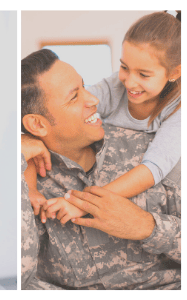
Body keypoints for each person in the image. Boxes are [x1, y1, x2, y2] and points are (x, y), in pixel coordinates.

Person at [20, 49, 180, 289]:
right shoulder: (25, 187)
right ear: (37, 124)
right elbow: (21, 279)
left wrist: (147, 226)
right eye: (74, 97)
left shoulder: (149, 151)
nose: (94, 100)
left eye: (85, 86)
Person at [25, 11, 181, 224]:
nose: (129, 82)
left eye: (143, 75)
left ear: (174, 73)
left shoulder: (179, 111)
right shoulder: (116, 85)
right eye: (124, 67)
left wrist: (82, 203)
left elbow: (153, 168)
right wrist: (26, 140)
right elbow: (65, 114)